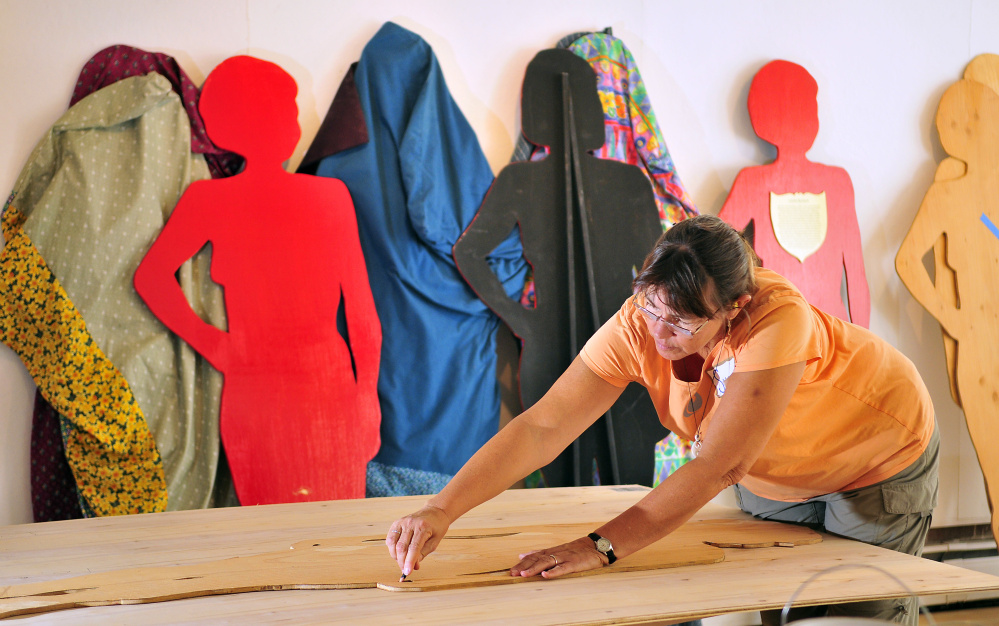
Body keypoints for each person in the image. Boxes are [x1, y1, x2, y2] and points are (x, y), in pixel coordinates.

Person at [388, 215, 937, 625]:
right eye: (650, 307)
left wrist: (599, 546)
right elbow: (543, 426)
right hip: (777, 473)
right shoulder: (640, 321)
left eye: (680, 321)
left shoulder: (777, 319)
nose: (658, 330)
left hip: (877, 457)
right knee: (784, 604)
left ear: (735, 307)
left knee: (852, 615)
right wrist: (442, 508)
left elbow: (720, 464)